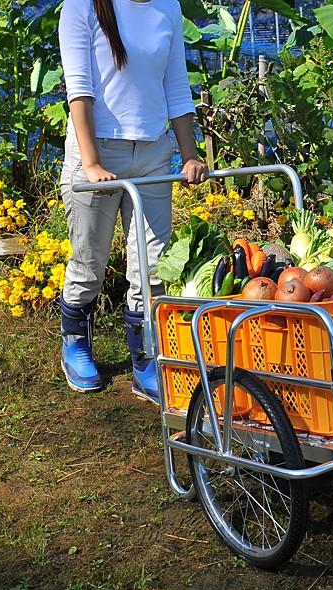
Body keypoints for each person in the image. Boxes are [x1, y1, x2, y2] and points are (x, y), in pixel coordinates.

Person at [58, 0, 208, 403]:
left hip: (154, 155)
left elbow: (176, 87)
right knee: (89, 263)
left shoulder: (168, 7)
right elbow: (79, 87)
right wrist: (91, 163)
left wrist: (189, 155)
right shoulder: (82, 5)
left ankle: (145, 360)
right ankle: (75, 344)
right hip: (99, 153)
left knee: (152, 266)